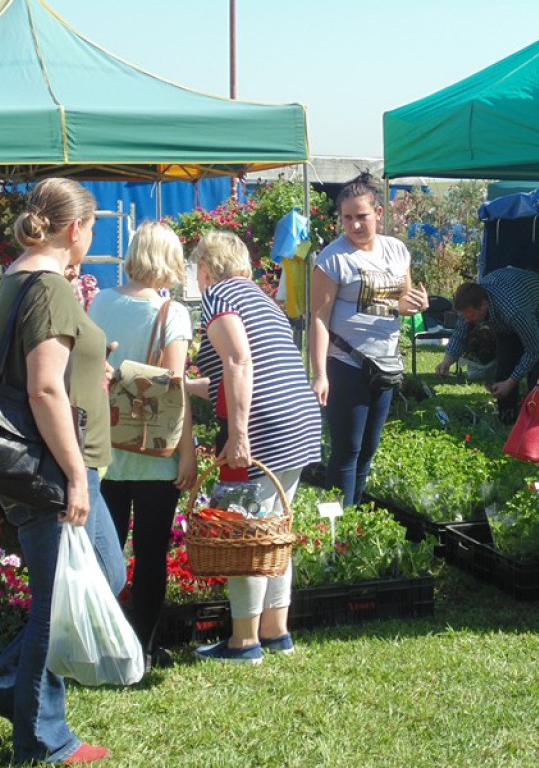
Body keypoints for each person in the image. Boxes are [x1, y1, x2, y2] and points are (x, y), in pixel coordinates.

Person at [0, 178, 124, 765]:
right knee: (68, 596)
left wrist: (91, 366)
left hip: (40, 462)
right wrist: (77, 477)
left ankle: (10, 687)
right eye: (92, 228)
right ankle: (40, 739)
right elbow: (41, 388)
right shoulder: (52, 286)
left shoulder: (13, 278)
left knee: (87, 583)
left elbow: (20, 367)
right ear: (77, 228)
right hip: (55, 467)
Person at [189, 230, 322, 663]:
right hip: (297, 418)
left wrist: (239, 434)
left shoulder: (218, 297)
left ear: (206, 270)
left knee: (243, 530)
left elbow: (239, 361)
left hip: (263, 426)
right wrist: (186, 385)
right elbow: (245, 368)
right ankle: (275, 631)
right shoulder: (263, 299)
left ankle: (243, 641)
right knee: (274, 528)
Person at [87, 220, 196, 669]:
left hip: (104, 447)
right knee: (151, 556)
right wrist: (187, 453)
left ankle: (104, 645)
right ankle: (142, 651)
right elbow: (174, 390)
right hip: (153, 455)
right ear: (170, 260)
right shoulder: (172, 314)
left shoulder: (98, 303)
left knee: (103, 556)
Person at [310, 172, 427, 506]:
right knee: (347, 451)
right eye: (347, 218)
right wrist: (319, 373)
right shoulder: (333, 258)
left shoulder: (397, 250)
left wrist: (415, 304)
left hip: (384, 362)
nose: (354, 225)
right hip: (346, 362)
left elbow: (402, 302)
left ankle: (354, 520)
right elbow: (318, 317)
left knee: (369, 450)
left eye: (361, 216)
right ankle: (333, 530)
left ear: (377, 213)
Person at [435, 267, 539, 423]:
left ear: (483, 305)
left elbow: (534, 350)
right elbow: (460, 334)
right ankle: (507, 418)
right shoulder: (470, 306)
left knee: (537, 375)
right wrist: (447, 361)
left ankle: (538, 423)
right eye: (464, 316)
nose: (467, 320)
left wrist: (510, 383)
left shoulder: (514, 311)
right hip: (508, 315)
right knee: (504, 368)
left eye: (471, 315)